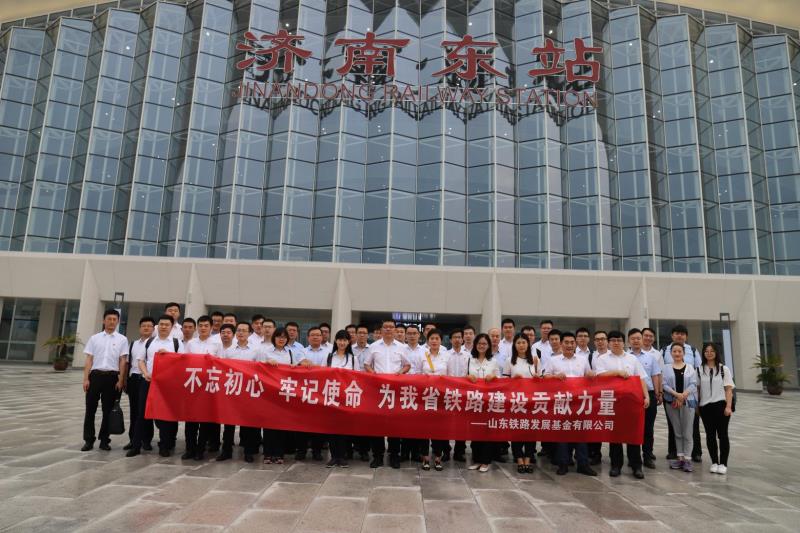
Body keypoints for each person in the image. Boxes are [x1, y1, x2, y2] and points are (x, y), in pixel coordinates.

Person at [594, 330, 649, 479]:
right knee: (615, 434)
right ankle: (616, 465)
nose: (616, 343)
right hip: (612, 401)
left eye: (619, 340)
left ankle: (636, 466)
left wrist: (646, 395)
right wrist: (617, 372)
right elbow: (599, 375)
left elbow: (641, 378)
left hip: (631, 400)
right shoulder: (602, 359)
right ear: (609, 343)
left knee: (633, 433)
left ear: (624, 342)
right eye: (613, 340)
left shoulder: (632, 358)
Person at [127, 314, 184, 457]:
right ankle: (136, 446)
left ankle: (164, 446)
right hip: (148, 382)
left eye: (167, 325)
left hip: (167, 385)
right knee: (142, 414)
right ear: (158, 326)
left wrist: (169, 355)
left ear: (171, 327)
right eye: (161, 324)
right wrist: (145, 373)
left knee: (164, 415)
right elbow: (140, 360)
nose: (164, 327)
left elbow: (182, 362)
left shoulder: (177, 343)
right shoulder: (149, 341)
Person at [543, 331, 597, 477]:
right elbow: (545, 377)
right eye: (566, 342)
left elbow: (588, 375)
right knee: (563, 434)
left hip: (579, 402)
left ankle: (583, 464)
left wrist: (591, 375)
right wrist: (555, 377)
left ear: (575, 344)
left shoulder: (583, 359)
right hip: (561, 402)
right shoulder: (553, 360)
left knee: (581, 433)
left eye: (572, 342)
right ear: (561, 344)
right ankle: (563, 463)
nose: (569, 345)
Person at [364, 318, 411, 469]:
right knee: (377, 423)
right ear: (381, 330)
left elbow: (407, 365)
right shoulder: (374, 346)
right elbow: (366, 364)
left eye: (391, 327)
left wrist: (400, 372)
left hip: (395, 390)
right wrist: (373, 373)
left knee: (394, 424)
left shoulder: (402, 347)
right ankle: (377, 456)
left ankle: (394, 455)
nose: (389, 329)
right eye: (386, 327)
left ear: (395, 330)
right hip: (378, 390)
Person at [82, 309, 129, 452]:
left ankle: (104, 440)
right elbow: (89, 359)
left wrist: (121, 379)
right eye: (109, 319)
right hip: (95, 376)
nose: (112, 322)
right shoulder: (94, 338)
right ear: (104, 320)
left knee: (108, 410)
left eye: (115, 319)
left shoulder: (122, 339)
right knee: (90, 409)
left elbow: (122, 361)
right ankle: (88, 440)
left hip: (112, 377)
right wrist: (86, 378)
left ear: (118, 321)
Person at [217, 322, 260, 463]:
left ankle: (248, 452)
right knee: (229, 422)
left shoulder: (256, 351)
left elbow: (260, 370)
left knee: (247, 423)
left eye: (244, 331)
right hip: (232, 389)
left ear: (249, 333)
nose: (241, 333)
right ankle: (226, 451)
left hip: (248, 390)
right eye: (239, 330)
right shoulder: (229, 350)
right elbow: (223, 369)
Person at [662, 325, 702, 462]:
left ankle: (694, 453)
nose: (679, 336)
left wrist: (684, 395)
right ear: (672, 335)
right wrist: (676, 395)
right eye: (677, 333)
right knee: (674, 427)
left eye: (682, 333)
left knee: (692, 426)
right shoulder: (664, 351)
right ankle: (675, 453)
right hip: (671, 397)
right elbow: (663, 380)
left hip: (689, 398)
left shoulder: (693, 351)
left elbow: (697, 374)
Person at [184, 315, 221, 460]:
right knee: (190, 419)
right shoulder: (191, 343)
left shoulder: (217, 344)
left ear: (211, 327)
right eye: (201, 325)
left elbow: (220, 364)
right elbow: (184, 362)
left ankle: (200, 449)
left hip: (208, 386)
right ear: (197, 328)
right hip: (192, 385)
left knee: (205, 420)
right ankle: (190, 449)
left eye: (206, 326)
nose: (203, 328)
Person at [414, 329, 450, 471]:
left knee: (439, 428)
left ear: (441, 340)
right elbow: (417, 374)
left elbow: (451, 376)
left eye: (437, 338)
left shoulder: (446, 356)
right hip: (425, 396)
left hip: (441, 397)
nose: (434, 341)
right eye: (432, 338)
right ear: (427, 340)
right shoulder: (422, 355)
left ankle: (438, 457)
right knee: (424, 428)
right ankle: (425, 457)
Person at [698, 342, 734, 475]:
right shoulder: (699, 369)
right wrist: (697, 406)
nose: (709, 353)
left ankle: (723, 463)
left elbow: (728, 389)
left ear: (716, 353)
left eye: (712, 351)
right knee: (710, 435)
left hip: (721, 406)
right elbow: (698, 389)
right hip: (705, 407)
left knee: (723, 435)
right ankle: (714, 462)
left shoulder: (724, 369)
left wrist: (728, 406)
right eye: (706, 351)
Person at [627, 328, 661, 470]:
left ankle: (647, 456)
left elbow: (655, 375)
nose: (636, 341)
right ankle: (633, 458)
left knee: (648, 428)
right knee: (632, 428)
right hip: (631, 396)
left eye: (638, 338)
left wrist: (658, 393)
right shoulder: (625, 357)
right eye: (633, 338)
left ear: (642, 340)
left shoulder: (650, 357)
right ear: (628, 341)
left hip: (649, 394)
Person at [325, 330, 360, 468]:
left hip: (346, 398)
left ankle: (342, 456)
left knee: (344, 428)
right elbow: (322, 374)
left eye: (345, 340)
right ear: (335, 341)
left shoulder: (353, 358)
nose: (342, 342)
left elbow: (357, 378)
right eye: (340, 340)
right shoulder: (329, 357)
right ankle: (334, 457)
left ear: (348, 342)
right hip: (331, 397)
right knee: (332, 428)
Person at [261, 327, 296, 464]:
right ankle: (268, 454)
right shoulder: (266, 352)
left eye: (284, 337)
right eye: (279, 336)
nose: (281, 339)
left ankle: (279, 453)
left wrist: (294, 367)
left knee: (281, 424)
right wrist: (267, 363)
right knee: (269, 424)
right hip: (270, 392)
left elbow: (297, 367)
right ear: (274, 338)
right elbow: (258, 367)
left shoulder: (291, 352)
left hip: (284, 392)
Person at [505, 333, 538, 473]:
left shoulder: (535, 359)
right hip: (516, 402)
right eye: (518, 343)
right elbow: (504, 381)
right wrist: (513, 380)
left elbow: (541, 379)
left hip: (532, 402)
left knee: (531, 431)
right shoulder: (509, 360)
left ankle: (528, 459)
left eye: (524, 342)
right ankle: (519, 458)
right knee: (517, 431)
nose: (521, 345)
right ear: (514, 345)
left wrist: (538, 378)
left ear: (528, 344)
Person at [466, 333, 498, 473]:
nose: (482, 346)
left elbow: (500, 378)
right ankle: (477, 459)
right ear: (475, 345)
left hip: (489, 400)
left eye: (484, 343)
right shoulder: (470, 359)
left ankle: (486, 461)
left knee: (487, 431)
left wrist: (493, 376)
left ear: (488, 346)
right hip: (474, 400)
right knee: (475, 431)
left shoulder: (493, 361)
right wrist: (468, 376)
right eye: (479, 343)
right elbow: (464, 376)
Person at [124, 317, 155, 453]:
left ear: (153, 329)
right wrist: (124, 380)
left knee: (146, 411)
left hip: (146, 380)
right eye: (144, 326)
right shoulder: (133, 344)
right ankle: (133, 439)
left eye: (149, 326)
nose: (146, 328)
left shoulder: (154, 343)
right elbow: (128, 363)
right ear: (139, 328)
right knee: (134, 410)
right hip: (133, 379)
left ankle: (146, 440)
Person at [295, 326, 326, 461]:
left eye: (318, 335)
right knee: (302, 423)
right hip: (304, 391)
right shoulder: (301, 351)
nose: (315, 337)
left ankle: (317, 451)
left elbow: (328, 369)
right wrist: (315, 367)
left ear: (322, 337)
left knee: (318, 423)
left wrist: (311, 366)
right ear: (308, 337)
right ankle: (301, 450)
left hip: (322, 391)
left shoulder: (328, 352)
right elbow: (301, 364)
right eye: (312, 335)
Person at [401, 324, 426, 463]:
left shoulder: (425, 351)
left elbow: (426, 369)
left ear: (419, 335)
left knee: (417, 421)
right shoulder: (400, 349)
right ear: (405, 335)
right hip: (403, 388)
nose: (411, 336)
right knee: (404, 421)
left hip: (419, 389)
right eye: (409, 333)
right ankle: (404, 452)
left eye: (414, 333)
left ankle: (416, 452)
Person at [446, 328, 470, 462]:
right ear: (450, 340)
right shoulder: (445, 354)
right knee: (446, 422)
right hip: (448, 393)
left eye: (459, 337)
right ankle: (445, 450)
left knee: (462, 424)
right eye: (454, 337)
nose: (457, 339)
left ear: (463, 339)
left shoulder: (469, 355)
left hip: (464, 393)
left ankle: (459, 451)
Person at [588, 330, 610, 465]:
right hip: (595, 395)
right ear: (594, 342)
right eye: (597, 339)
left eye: (603, 339)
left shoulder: (613, 355)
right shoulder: (591, 356)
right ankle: (595, 453)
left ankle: (615, 455)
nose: (600, 342)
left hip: (611, 395)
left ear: (607, 341)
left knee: (610, 424)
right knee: (595, 425)